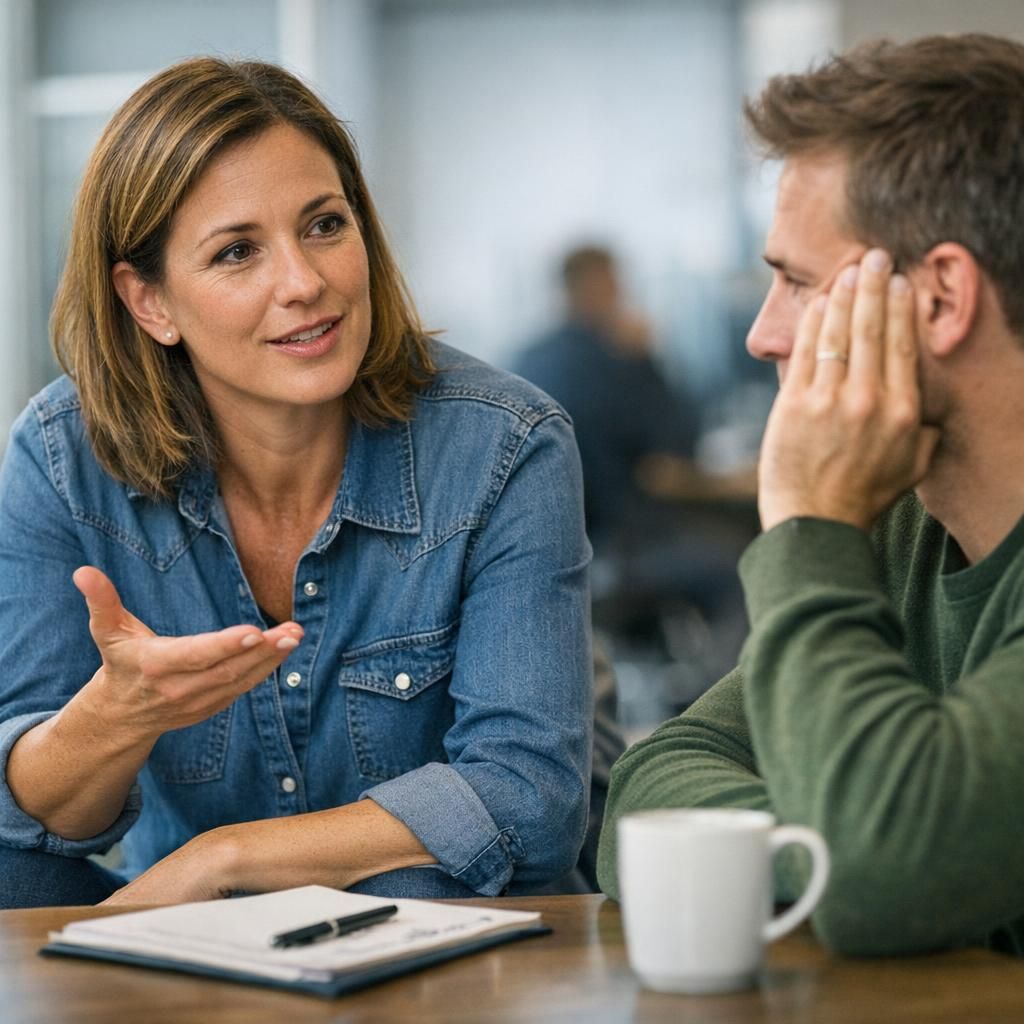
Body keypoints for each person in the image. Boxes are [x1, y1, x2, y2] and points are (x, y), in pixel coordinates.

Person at [0, 57, 592, 908]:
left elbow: (529, 800)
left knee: (412, 876)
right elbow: (33, 817)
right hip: (186, 940)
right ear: (150, 303)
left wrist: (228, 858)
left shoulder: (506, 445)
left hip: (430, 931)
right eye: (238, 251)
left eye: (323, 225)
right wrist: (116, 714)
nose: (305, 283)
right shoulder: (63, 458)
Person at [597, 32, 1024, 957]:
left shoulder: (846, 516)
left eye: (796, 281)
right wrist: (837, 848)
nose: (762, 334)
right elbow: (649, 788)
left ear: (941, 297)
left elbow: (879, 880)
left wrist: (810, 519)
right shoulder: (904, 523)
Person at [516, 247, 752, 684]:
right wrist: (646, 360)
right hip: (617, 551)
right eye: (616, 283)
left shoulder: (528, 359)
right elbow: (674, 449)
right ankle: (726, 713)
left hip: (549, 557)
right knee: (747, 564)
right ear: (598, 286)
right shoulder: (607, 359)